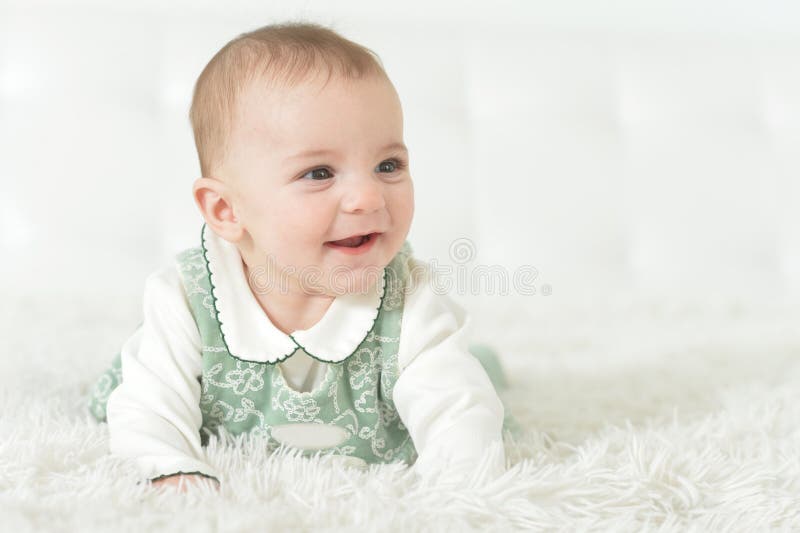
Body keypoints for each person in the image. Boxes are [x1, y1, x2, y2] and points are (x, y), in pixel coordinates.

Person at [87, 21, 522, 492]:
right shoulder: (185, 299)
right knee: (135, 378)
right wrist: (169, 467)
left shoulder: (410, 299)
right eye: (319, 172)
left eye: (388, 165)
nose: (367, 197)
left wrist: (460, 486)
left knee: (463, 370)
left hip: (414, 369)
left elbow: (456, 410)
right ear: (227, 210)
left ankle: (479, 358)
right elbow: (149, 409)